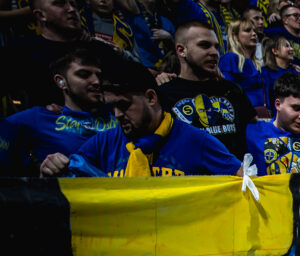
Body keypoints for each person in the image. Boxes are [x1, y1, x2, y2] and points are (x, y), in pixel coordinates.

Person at [39, 57, 241, 177]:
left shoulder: (197, 141)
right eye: (112, 107)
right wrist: (52, 168)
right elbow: (69, 179)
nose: (117, 115)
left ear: (151, 98)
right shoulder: (102, 144)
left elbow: (243, 180)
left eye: (123, 105)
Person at [5, 48, 117, 171]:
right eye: (84, 75)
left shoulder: (120, 115)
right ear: (61, 82)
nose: (96, 82)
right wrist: (31, 166)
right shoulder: (39, 118)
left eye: (99, 76)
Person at [158, 22, 256, 160]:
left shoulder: (232, 90)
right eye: (204, 45)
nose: (214, 52)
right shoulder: (164, 94)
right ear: (181, 50)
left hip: (236, 173)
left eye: (216, 47)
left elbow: (254, 131)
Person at [221, 19, 267, 111]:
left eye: (254, 31)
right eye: (247, 30)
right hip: (243, 114)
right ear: (235, 36)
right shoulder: (230, 58)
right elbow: (226, 93)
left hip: (261, 113)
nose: (254, 34)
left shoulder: (256, 63)